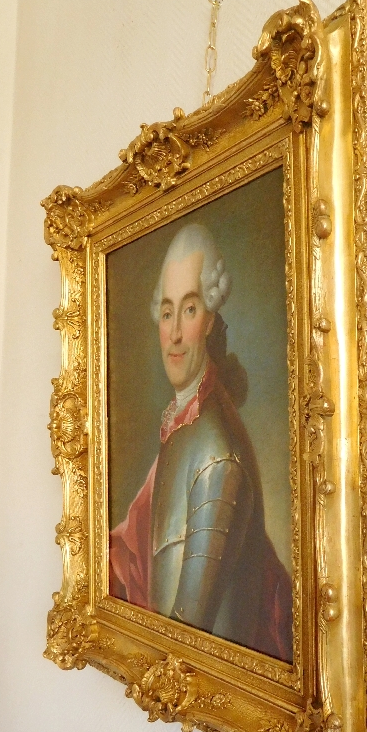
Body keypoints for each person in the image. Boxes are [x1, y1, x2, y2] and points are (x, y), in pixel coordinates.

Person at [109, 224, 292, 662]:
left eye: (189, 310)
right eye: (167, 312)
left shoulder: (214, 453)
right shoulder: (183, 426)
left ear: (209, 318)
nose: (173, 334)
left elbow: (183, 635)